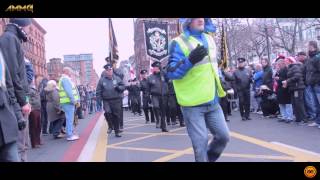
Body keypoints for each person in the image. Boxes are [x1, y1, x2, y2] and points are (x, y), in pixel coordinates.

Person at [167, 18, 229, 162]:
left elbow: (212, 66)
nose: (200, 19)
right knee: (200, 144)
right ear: (188, 21)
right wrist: (190, 60)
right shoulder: (178, 42)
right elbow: (170, 73)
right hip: (192, 104)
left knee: (223, 137)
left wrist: (221, 81)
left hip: (213, 101)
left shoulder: (210, 39)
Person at [0, 18, 33, 162]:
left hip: (17, 100)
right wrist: (23, 101)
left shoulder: (13, 38)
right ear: (21, 25)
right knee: (18, 144)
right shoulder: (9, 39)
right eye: (28, 28)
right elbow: (13, 75)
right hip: (15, 102)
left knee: (21, 144)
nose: (28, 31)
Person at [0, 49, 24, 162]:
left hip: (7, 120)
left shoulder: (1, 56)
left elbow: (9, 88)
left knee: (13, 157)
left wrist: (18, 115)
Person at [96, 64, 125, 137]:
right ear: (105, 71)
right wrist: (99, 101)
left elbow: (123, 86)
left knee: (116, 115)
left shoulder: (117, 78)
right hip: (106, 100)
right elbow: (98, 91)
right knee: (108, 112)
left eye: (111, 70)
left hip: (116, 100)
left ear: (112, 70)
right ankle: (110, 125)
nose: (109, 71)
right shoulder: (102, 80)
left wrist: (119, 87)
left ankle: (117, 132)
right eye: (108, 70)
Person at [283, 57, 308, 125]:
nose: (285, 62)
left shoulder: (295, 67)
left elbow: (297, 76)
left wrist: (287, 81)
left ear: (290, 61)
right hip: (293, 88)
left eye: (286, 61)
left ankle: (304, 119)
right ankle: (298, 119)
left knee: (299, 103)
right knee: (295, 103)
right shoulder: (290, 68)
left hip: (297, 88)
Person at [59, 67, 80, 141]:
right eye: (70, 72)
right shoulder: (65, 79)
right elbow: (69, 92)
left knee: (70, 118)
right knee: (70, 119)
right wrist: (74, 101)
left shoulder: (64, 79)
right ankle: (70, 135)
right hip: (68, 102)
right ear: (67, 72)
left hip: (67, 102)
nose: (71, 73)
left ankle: (70, 133)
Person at [148, 61, 169, 132]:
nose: (156, 68)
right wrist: (148, 98)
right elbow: (148, 88)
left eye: (157, 67)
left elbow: (168, 79)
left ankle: (164, 127)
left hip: (163, 95)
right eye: (154, 67)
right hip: (155, 95)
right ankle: (158, 120)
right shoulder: (150, 77)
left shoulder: (163, 75)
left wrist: (162, 71)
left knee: (163, 112)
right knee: (156, 107)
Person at [304, 42, 320, 128]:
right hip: (311, 84)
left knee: (318, 103)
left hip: (317, 84)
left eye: (308, 46)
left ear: (312, 46)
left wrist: (317, 81)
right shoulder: (310, 57)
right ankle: (317, 121)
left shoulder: (317, 57)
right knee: (315, 104)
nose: (307, 48)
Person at [275, 58, 293, 123]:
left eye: (279, 64)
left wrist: (279, 78)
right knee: (281, 104)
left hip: (285, 88)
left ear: (282, 63)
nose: (278, 66)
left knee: (288, 103)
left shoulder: (286, 69)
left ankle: (289, 117)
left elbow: (287, 78)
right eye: (277, 64)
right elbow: (276, 77)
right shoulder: (279, 70)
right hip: (280, 88)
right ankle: (284, 116)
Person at [28, 79, 42, 148]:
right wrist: (31, 105)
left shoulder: (34, 88)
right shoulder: (28, 88)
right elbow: (27, 98)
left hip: (37, 109)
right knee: (33, 127)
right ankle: (34, 143)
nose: (34, 80)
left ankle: (38, 141)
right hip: (33, 110)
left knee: (38, 126)